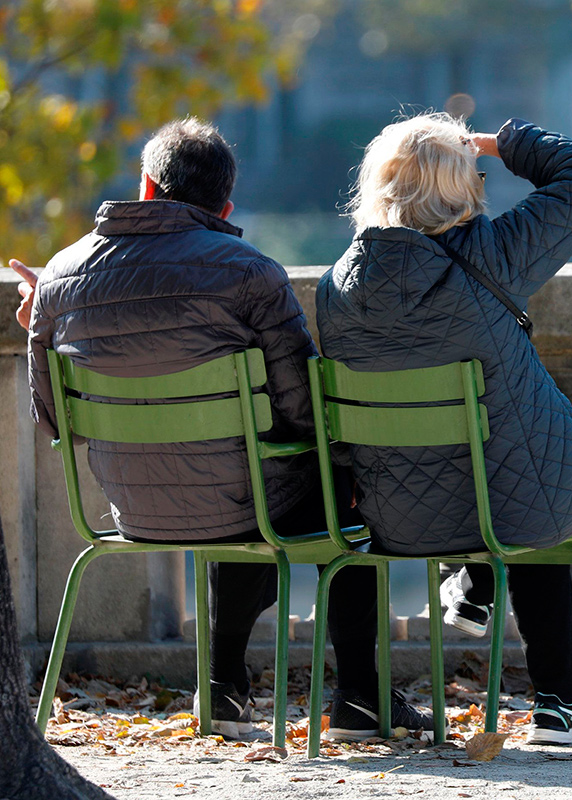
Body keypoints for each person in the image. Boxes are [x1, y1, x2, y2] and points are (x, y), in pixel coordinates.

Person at [13, 118, 432, 741]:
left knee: (242, 477)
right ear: (225, 207)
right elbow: (299, 410)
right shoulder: (249, 272)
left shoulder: (59, 277)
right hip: (243, 500)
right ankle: (360, 698)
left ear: (147, 189)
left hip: (130, 505)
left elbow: (51, 420)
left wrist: (39, 327)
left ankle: (224, 690)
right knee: (339, 477)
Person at [317, 113, 572, 745]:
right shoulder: (496, 255)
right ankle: (560, 705)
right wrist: (501, 143)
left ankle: (360, 697)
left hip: (392, 518)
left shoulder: (337, 286)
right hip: (504, 504)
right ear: (464, 184)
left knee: (454, 473)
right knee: (524, 480)